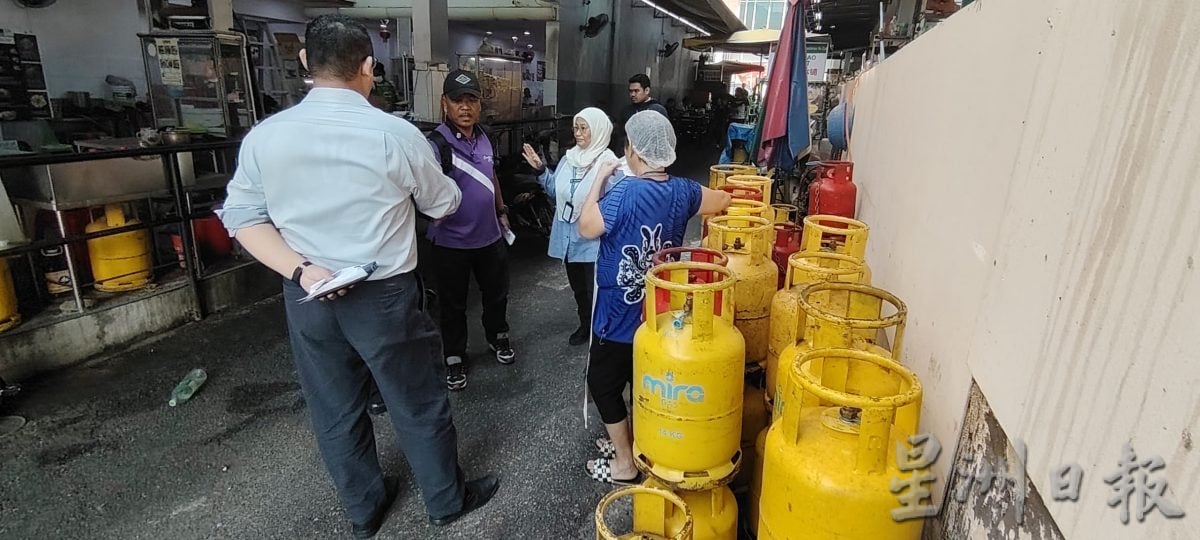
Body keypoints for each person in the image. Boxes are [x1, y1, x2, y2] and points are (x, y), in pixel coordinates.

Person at [216, 15, 498, 537]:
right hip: (385, 294)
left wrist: (302, 270)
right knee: (416, 399)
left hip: (307, 294)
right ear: (368, 67)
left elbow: (242, 219)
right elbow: (443, 203)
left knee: (335, 407)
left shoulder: (265, 137)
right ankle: (444, 499)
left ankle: (364, 509)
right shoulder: (395, 134)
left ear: (305, 62)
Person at [576, 111, 732, 484]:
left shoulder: (623, 193)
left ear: (632, 150)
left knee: (603, 382)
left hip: (617, 312)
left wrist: (598, 178)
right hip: (660, 310)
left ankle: (626, 464)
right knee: (643, 378)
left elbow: (585, 227)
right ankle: (638, 443)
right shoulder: (684, 191)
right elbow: (721, 200)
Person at [426, 69, 516, 391]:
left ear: (479, 105)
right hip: (450, 242)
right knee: (453, 304)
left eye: (471, 100)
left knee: (497, 294)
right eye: (457, 101)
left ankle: (497, 336)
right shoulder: (435, 143)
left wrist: (501, 211)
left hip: (489, 236)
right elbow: (423, 190)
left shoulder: (486, 136)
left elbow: (491, 178)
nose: (465, 107)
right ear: (445, 104)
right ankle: (454, 355)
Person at [519, 108, 617, 346]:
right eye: (576, 127)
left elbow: (616, 204)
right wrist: (541, 170)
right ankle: (585, 325)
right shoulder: (568, 159)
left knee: (598, 290)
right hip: (569, 239)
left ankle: (601, 333)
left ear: (599, 130)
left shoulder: (609, 164)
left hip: (595, 241)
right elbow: (555, 191)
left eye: (585, 128)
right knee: (579, 290)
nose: (579, 133)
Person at [614, 74, 669, 153]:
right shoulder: (626, 111)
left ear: (647, 90)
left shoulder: (657, 111)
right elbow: (621, 137)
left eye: (636, 91)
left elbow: (662, 138)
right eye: (630, 91)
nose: (632, 94)